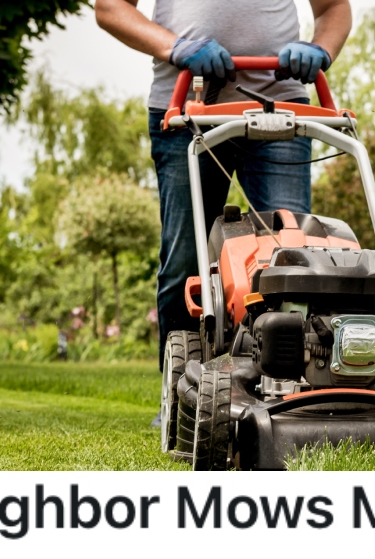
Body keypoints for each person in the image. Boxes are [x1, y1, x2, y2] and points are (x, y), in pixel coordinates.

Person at [95, 0, 352, 367]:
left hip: (280, 112)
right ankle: (182, 388)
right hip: (187, 110)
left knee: (292, 256)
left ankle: (287, 380)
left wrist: (320, 48)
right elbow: (110, 8)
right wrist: (176, 47)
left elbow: (333, 8)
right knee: (186, 261)